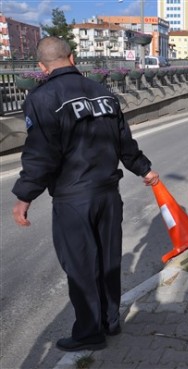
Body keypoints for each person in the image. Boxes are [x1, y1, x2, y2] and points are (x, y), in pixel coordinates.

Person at [11, 37, 160, 352]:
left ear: (41, 67)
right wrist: (144, 170)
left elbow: (41, 155)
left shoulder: (42, 98)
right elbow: (124, 143)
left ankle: (90, 332)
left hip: (73, 197)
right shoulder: (104, 93)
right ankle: (110, 320)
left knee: (81, 265)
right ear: (73, 57)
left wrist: (25, 196)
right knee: (108, 259)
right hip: (108, 194)